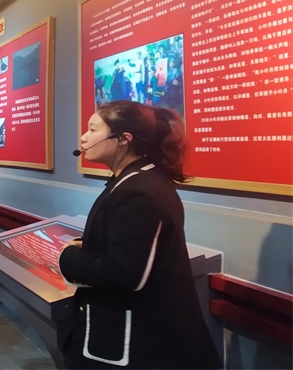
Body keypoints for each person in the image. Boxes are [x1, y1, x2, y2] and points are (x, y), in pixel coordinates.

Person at [58, 101, 221, 369]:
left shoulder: (138, 190)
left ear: (123, 139)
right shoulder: (135, 180)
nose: (84, 138)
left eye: (93, 130)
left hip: (139, 342)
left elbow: (124, 272)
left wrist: (68, 256)